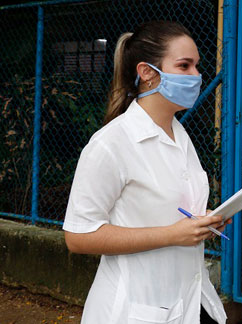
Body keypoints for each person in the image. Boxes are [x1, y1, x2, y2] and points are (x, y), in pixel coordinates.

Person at [62, 21, 229, 324]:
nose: (196, 76)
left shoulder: (179, 134)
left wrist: (203, 220)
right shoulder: (110, 144)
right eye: (184, 66)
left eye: (196, 66)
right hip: (135, 308)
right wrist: (172, 234)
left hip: (191, 301)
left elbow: (164, 209)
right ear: (147, 72)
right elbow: (78, 236)